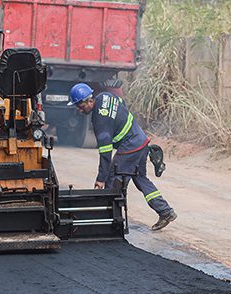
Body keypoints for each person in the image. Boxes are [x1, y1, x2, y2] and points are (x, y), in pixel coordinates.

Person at [68, 82, 176, 231]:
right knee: (140, 178)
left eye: (80, 106)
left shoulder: (100, 121)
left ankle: (111, 222)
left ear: (90, 101)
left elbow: (105, 153)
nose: (80, 110)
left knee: (113, 179)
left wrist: (100, 179)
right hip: (141, 139)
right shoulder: (105, 96)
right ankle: (165, 212)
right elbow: (121, 102)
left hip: (130, 145)